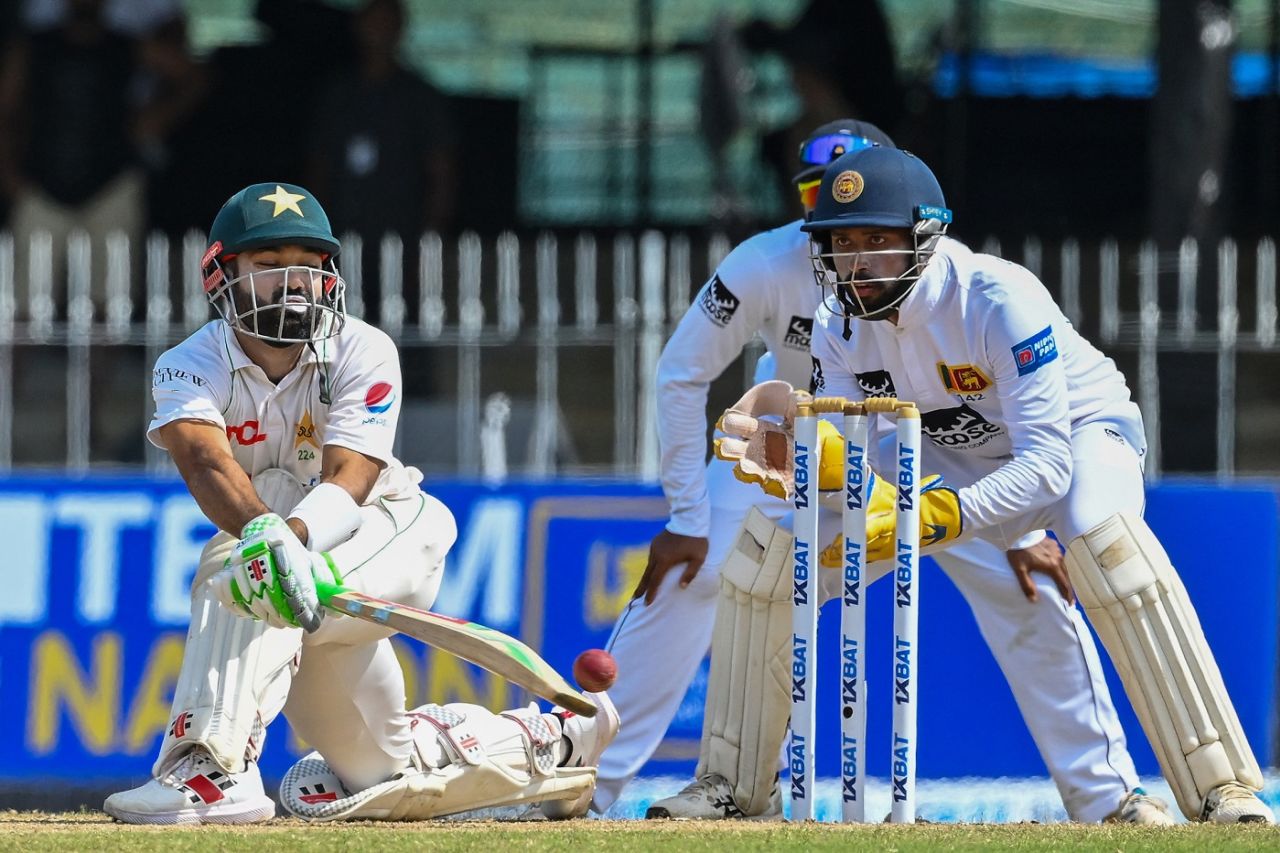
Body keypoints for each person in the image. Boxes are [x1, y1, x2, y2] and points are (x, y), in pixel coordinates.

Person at [602, 121, 1171, 825]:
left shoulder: (978, 292)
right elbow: (694, 377)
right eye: (833, 221)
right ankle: (696, 782)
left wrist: (1017, 527)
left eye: (874, 231)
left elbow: (1027, 446)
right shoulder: (769, 268)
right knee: (748, 570)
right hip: (833, 453)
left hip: (959, 457)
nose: (854, 250)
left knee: (1034, 596)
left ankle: (1110, 799)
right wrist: (694, 510)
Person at [720, 145, 1273, 824]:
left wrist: (951, 517)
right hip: (945, 461)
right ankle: (732, 788)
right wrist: (814, 464)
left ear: (924, 237)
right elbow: (856, 449)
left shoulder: (995, 298)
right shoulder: (838, 327)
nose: (854, 262)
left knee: (1104, 538)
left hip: (1076, 437)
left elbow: (1046, 466)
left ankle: (1222, 786)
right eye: (840, 243)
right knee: (773, 554)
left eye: (875, 240)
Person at [102, 182, 618, 825]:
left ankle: (213, 769)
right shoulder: (188, 364)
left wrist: (285, 540)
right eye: (269, 267)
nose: (293, 284)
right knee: (375, 775)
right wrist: (273, 536)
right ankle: (551, 742)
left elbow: (352, 475)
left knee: (238, 570)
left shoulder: (363, 347)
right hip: (293, 569)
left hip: (391, 530)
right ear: (222, 274)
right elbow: (205, 461)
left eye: (308, 268)